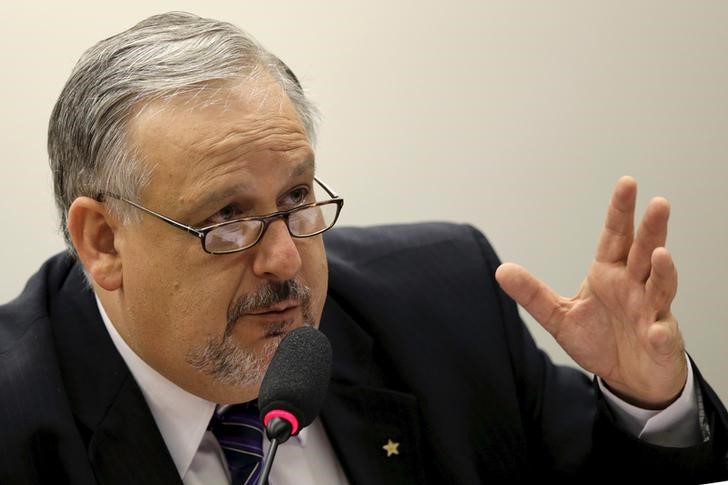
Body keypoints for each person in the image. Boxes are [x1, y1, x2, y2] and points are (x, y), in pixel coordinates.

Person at [0, 11, 726, 485]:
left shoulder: (447, 305)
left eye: (295, 200)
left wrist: (648, 403)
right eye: (226, 218)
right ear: (104, 242)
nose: (286, 260)